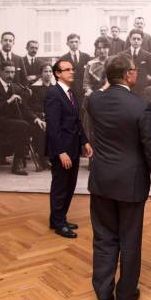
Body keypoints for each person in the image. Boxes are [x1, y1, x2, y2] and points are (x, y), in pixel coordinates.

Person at [86, 53, 151, 300]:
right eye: (135, 70)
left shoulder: (94, 101)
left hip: (101, 180)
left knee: (104, 237)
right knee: (130, 238)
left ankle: (103, 293)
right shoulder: (141, 105)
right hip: (131, 182)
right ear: (128, 74)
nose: (137, 73)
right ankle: (126, 294)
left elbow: (101, 92)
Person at [45, 59, 92, 238]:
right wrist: (61, 152)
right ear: (57, 73)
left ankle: (58, 218)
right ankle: (58, 224)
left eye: (72, 69)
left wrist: (84, 141)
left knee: (69, 185)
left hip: (73, 147)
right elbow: (53, 127)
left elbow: (76, 121)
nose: (72, 72)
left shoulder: (70, 93)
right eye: (67, 70)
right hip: (62, 150)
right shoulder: (53, 94)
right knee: (60, 186)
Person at [0, 61, 43, 176]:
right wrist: (8, 101)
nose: (10, 75)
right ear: (0, 72)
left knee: (38, 124)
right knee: (22, 125)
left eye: (13, 72)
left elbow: (25, 108)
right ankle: (17, 164)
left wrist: (36, 119)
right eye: (7, 72)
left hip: (13, 123)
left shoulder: (16, 87)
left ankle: (43, 160)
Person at [29, 63, 54, 170]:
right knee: (43, 128)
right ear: (41, 74)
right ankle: (44, 158)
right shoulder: (34, 88)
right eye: (45, 71)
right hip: (39, 117)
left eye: (50, 71)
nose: (48, 74)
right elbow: (32, 107)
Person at [60, 33, 92, 107]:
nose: (74, 44)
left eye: (76, 41)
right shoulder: (63, 59)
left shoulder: (86, 57)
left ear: (80, 43)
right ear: (67, 43)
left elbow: (90, 75)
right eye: (71, 42)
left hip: (84, 91)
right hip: (71, 91)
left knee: (84, 112)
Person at [123, 29, 151, 95]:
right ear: (130, 39)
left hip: (142, 90)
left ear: (142, 40)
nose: (136, 41)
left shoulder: (148, 55)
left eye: (138, 39)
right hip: (127, 88)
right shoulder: (123, 55)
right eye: (134, 39)